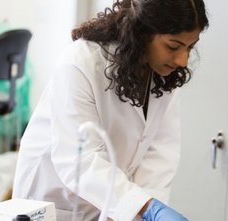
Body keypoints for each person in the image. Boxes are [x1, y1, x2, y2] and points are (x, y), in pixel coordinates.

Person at [12, 0, 209, 220]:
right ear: (142, 32)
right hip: (56, 199)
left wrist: (146, 208)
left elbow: (160, 153)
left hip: (109, 200)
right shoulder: (80, 63)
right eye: (173, 46)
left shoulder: (163, 75)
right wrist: (141, 206)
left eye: (190, 47)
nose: (183, 60)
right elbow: (79, 159)